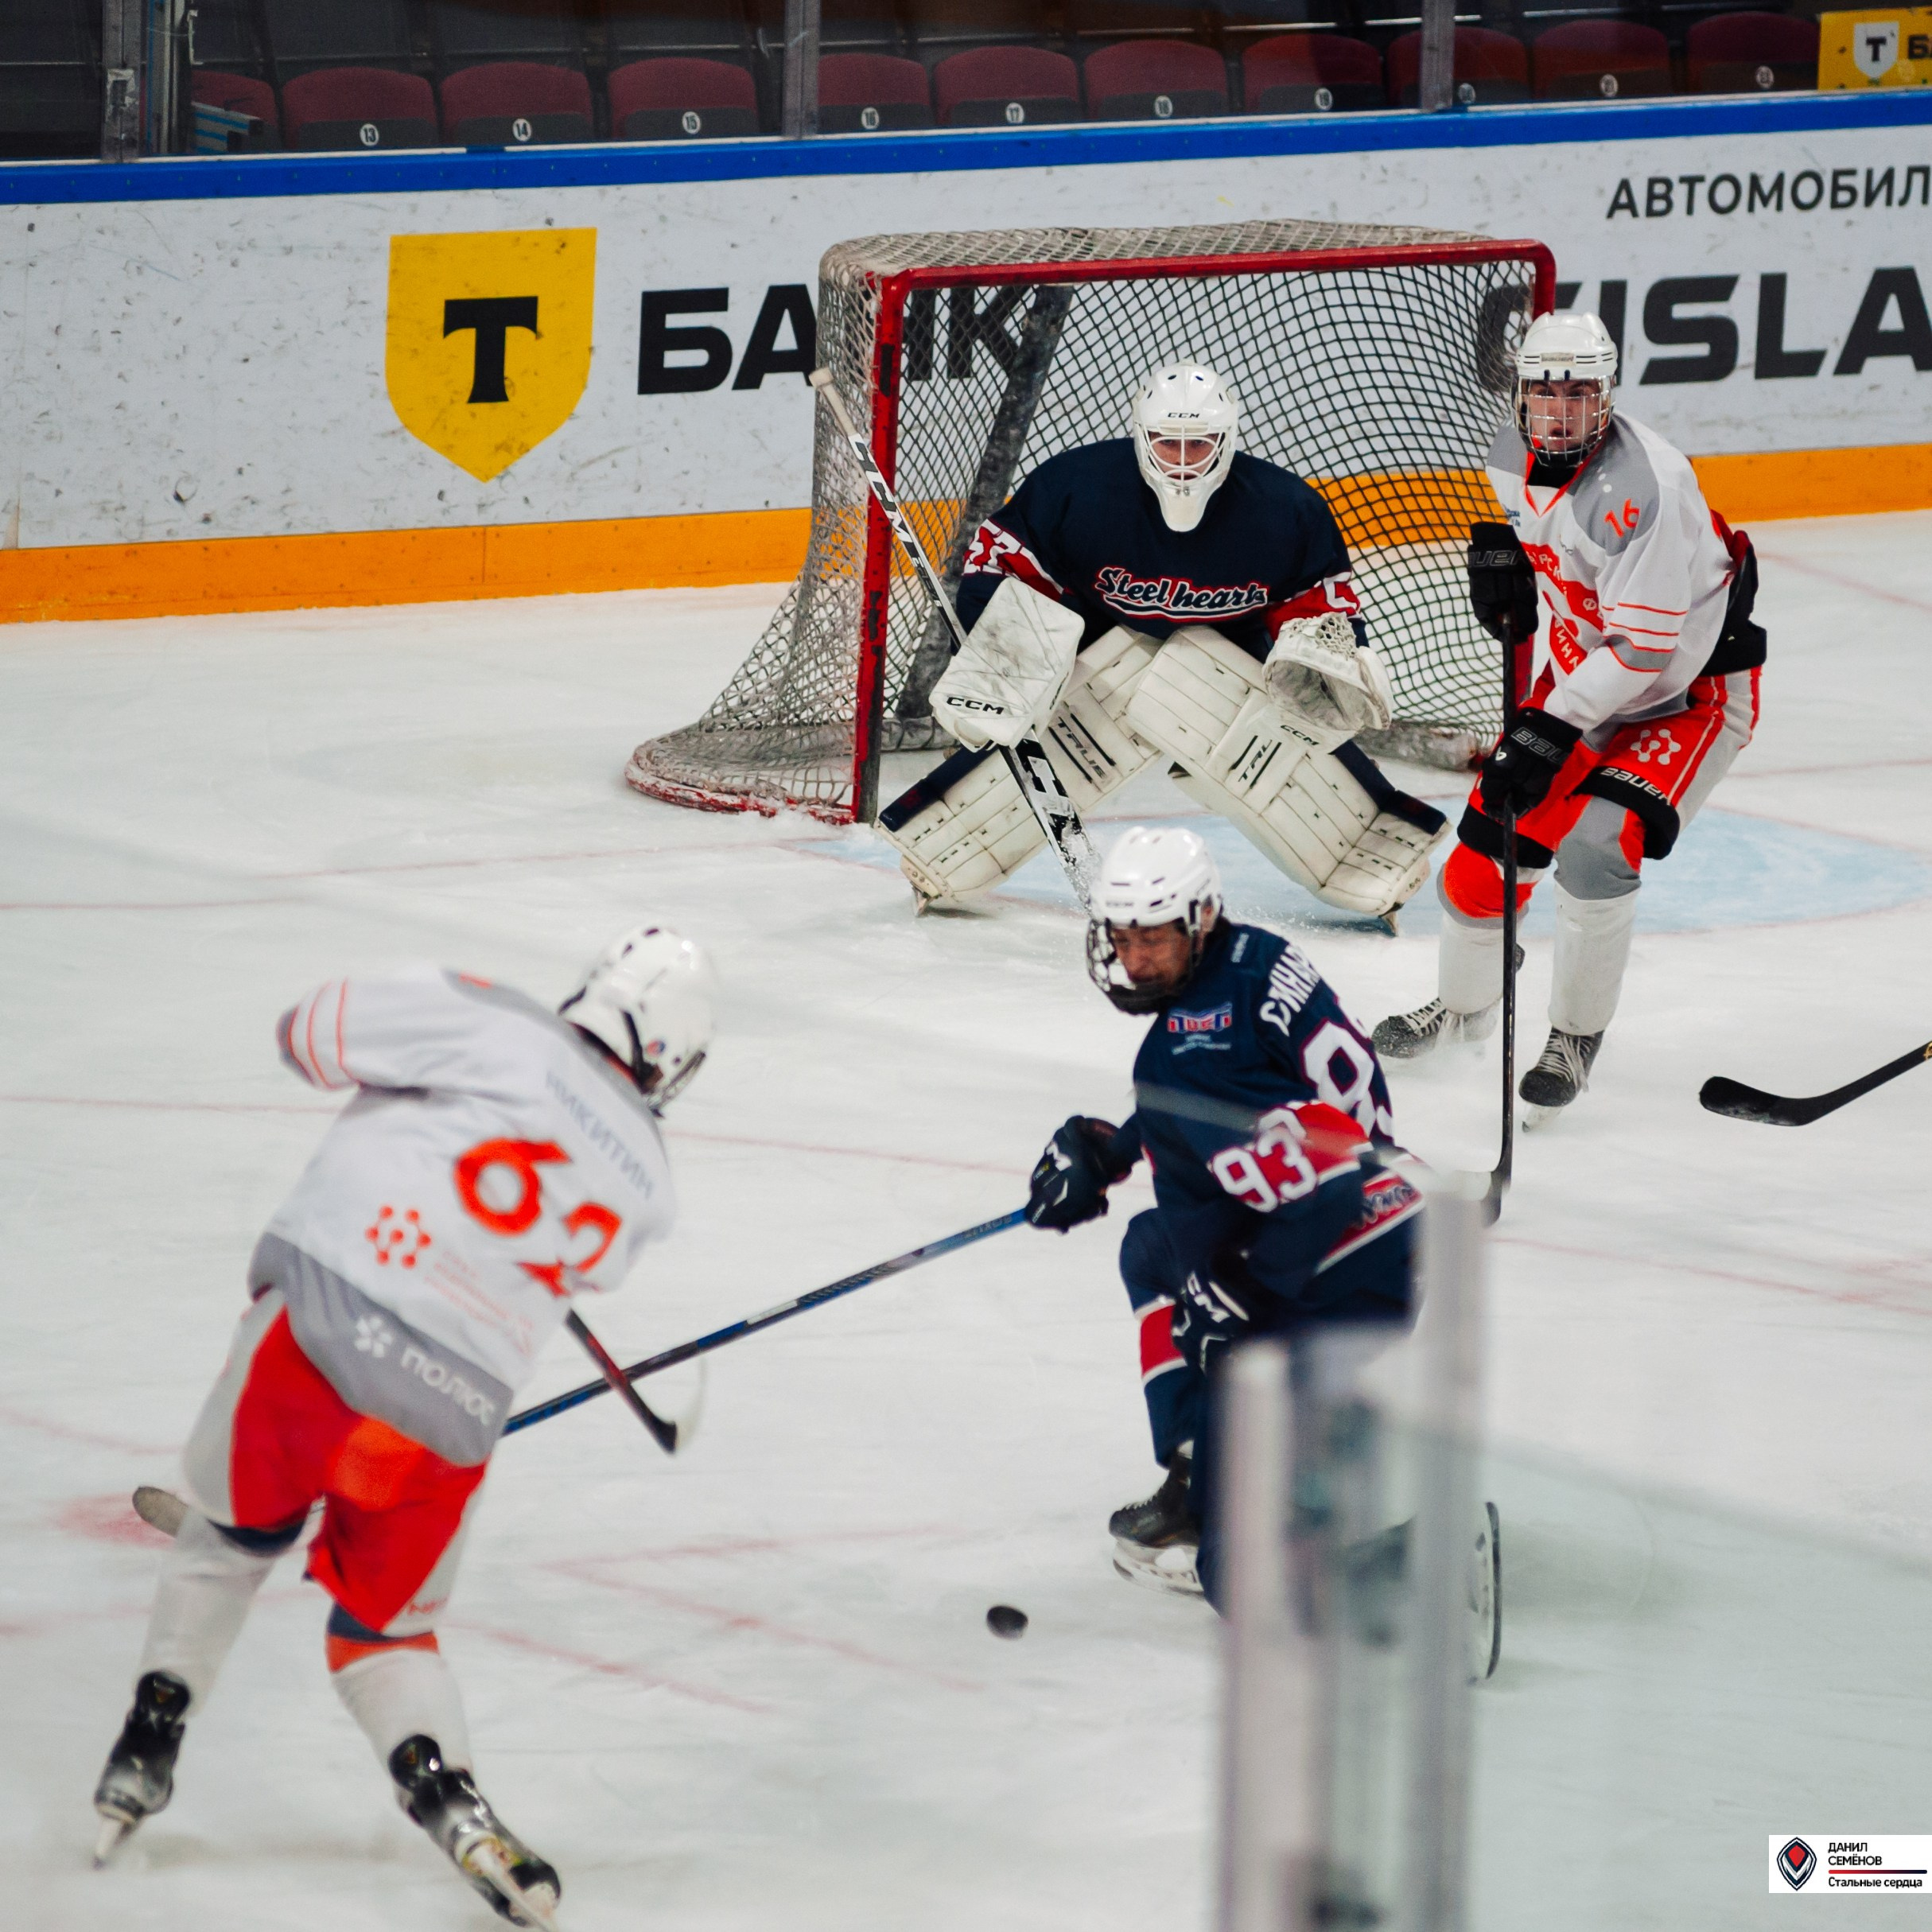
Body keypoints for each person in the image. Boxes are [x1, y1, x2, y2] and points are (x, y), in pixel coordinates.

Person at [91, 926, 716, 1926]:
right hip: (442, 1419)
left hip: (315, 1338)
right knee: (384, 1630)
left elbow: (306, 1032)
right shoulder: (650, 1175)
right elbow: (587, 1263)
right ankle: (452, 1802)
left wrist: (401, 1093)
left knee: (233, 1537)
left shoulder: (486, 1014)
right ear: (672, 1059)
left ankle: (146, 1740)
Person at [877, 363, 1446, 927]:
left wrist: (1326, 661)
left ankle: (1371, 854)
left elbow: (1319, 603)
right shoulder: (1076, 487)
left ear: (1226, 440)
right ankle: (941, 853)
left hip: (1237, 642)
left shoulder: (1286, 509)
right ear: (1140, 435)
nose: (1181, 461)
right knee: (1074, 721)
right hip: (1098, 631)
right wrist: (1001, 651)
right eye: (1167, 443)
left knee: (1281, 734)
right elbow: (1005, 560)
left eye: (1198, 444)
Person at [1374, 310, 1767, 1112]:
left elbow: (1642, 651)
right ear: (1519, 394)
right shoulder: (1507, 453)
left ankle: (1574, 1035)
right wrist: (1511, 575)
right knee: (1485, 849)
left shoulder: (1645, 488)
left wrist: (1549, 725)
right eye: (1544, 393)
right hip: (1585, 679)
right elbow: (1557, 559)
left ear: (1607, 395)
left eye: (1579, 393)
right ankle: (1464, 1006)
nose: (1559, 411)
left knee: (1595, 845)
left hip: (1685, 697)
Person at [1023, 825, 1422, 1603]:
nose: (1135, 958)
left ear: (1200, 917)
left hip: (1337, 1256)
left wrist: (1242, 1285)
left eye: (1153, 938)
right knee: (1152, 1246)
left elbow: (1311, 1169)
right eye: (1123, 937)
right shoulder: (1250, 959)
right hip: (1385, 1206)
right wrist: (1114, 1151)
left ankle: (1407, 1557)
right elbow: (1238, 1098)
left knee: (1236, 1576)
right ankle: (1201, 1467)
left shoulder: (1186, 1053)